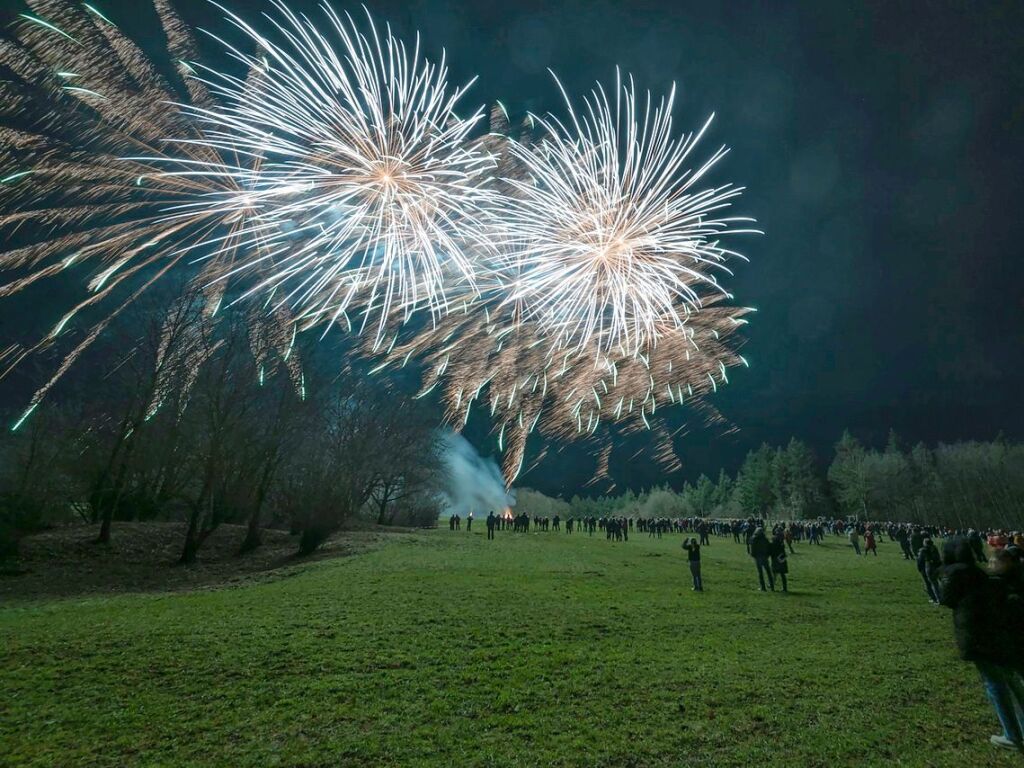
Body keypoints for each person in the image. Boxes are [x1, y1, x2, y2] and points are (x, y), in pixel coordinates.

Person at [940, 538, 1024, 752]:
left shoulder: (954, 574)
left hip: (976, 635)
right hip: (996, 632)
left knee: (994, 684)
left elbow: (947, 599)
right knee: (1012, 683)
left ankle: (1012, 735)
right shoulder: (980, 574)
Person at [750, 527, 775, 592]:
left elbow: (753, 549)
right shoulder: (765, 539)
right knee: (768, 572)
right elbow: (769, 547)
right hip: (765, 557)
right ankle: (772, 587)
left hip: (758, 557)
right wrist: (768, 555)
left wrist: (753, 555)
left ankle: (763, 587)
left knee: (760, 573)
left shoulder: (754, 539)